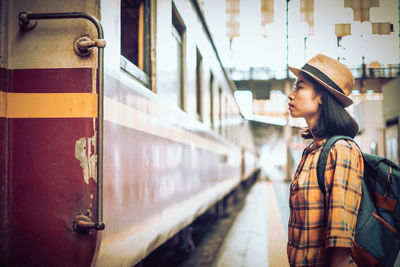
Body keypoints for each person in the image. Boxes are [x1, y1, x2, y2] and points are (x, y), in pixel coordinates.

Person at [286, 54, 364, 267]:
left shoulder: (342, 150)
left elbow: (341, 245)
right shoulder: (311, 152)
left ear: (322, 97)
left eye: (299, 87)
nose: (290, 95)